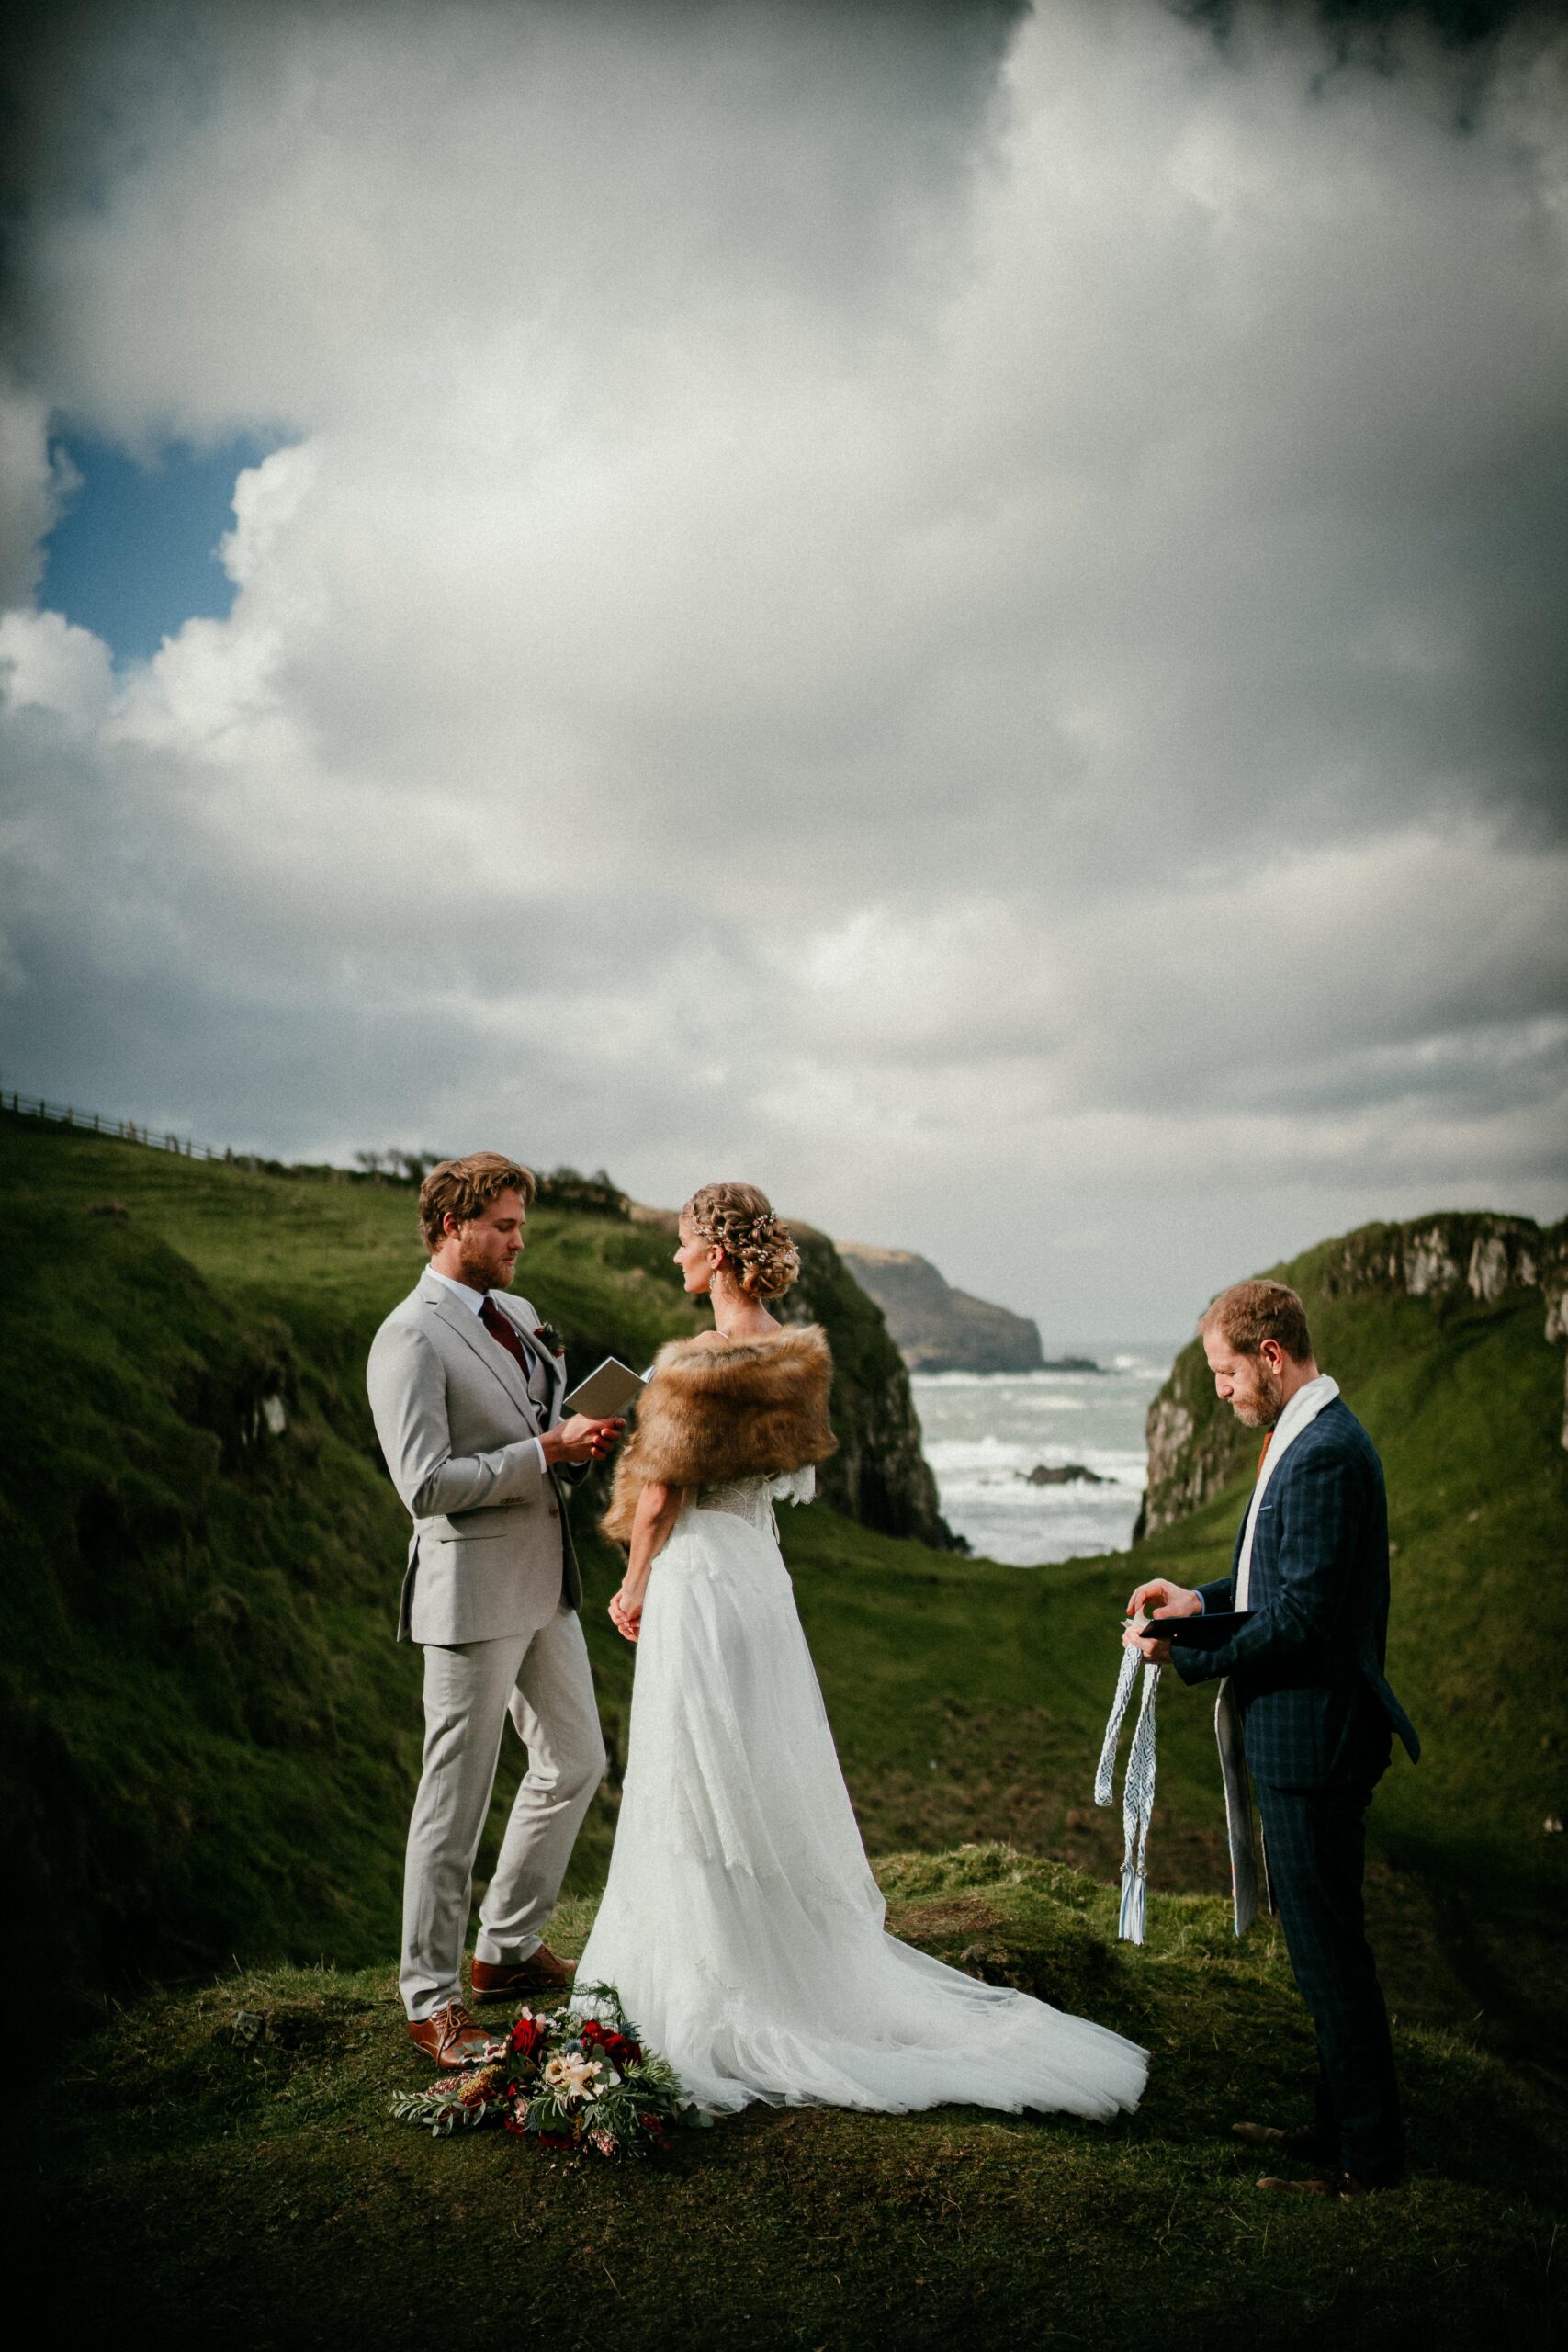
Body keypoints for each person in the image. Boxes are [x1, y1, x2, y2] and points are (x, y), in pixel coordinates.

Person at [577, 1181, 1147, 2121]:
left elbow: (663, 1492)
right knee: (750, 1766)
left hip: (701, 1578)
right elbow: (778, 1475)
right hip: (758, 1574)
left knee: (692, 1769)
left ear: (715, 1254)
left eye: (683, 1243)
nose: (675, 1257)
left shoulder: (695, 1367)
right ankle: (769, 1955)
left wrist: (635, 1579)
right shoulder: (794, 1358)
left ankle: (712, 1967)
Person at [1127, 1279, 1418, 2198]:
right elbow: (1271, 1579)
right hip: (1302, 1735)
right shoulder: (1302, 1435)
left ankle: (1367, 2162)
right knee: (1321, 1947)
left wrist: (1185, 1652)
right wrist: (1196, 1601)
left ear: (1271, 1355)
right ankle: (1337, 2131)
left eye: (1225, 1372)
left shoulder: (1324, 1453)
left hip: (1315, 1741)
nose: (1220, 1390)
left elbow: (1301, 1620)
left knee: (1330, 1955)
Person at [367, 1151, 625, 2068]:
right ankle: (429, 1999)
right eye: (504, 1226)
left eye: (521, 1224)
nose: (520, 1241)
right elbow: (424, 1486)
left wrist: (577, 1443)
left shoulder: (514, 1315)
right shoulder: (410, 1337)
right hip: (470, 1594)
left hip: (545, 1581)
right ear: (452, 1227)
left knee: (577, 1759)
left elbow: (538, 1432)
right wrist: (545, 1451)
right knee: (454, 1800)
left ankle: (506, 1949)